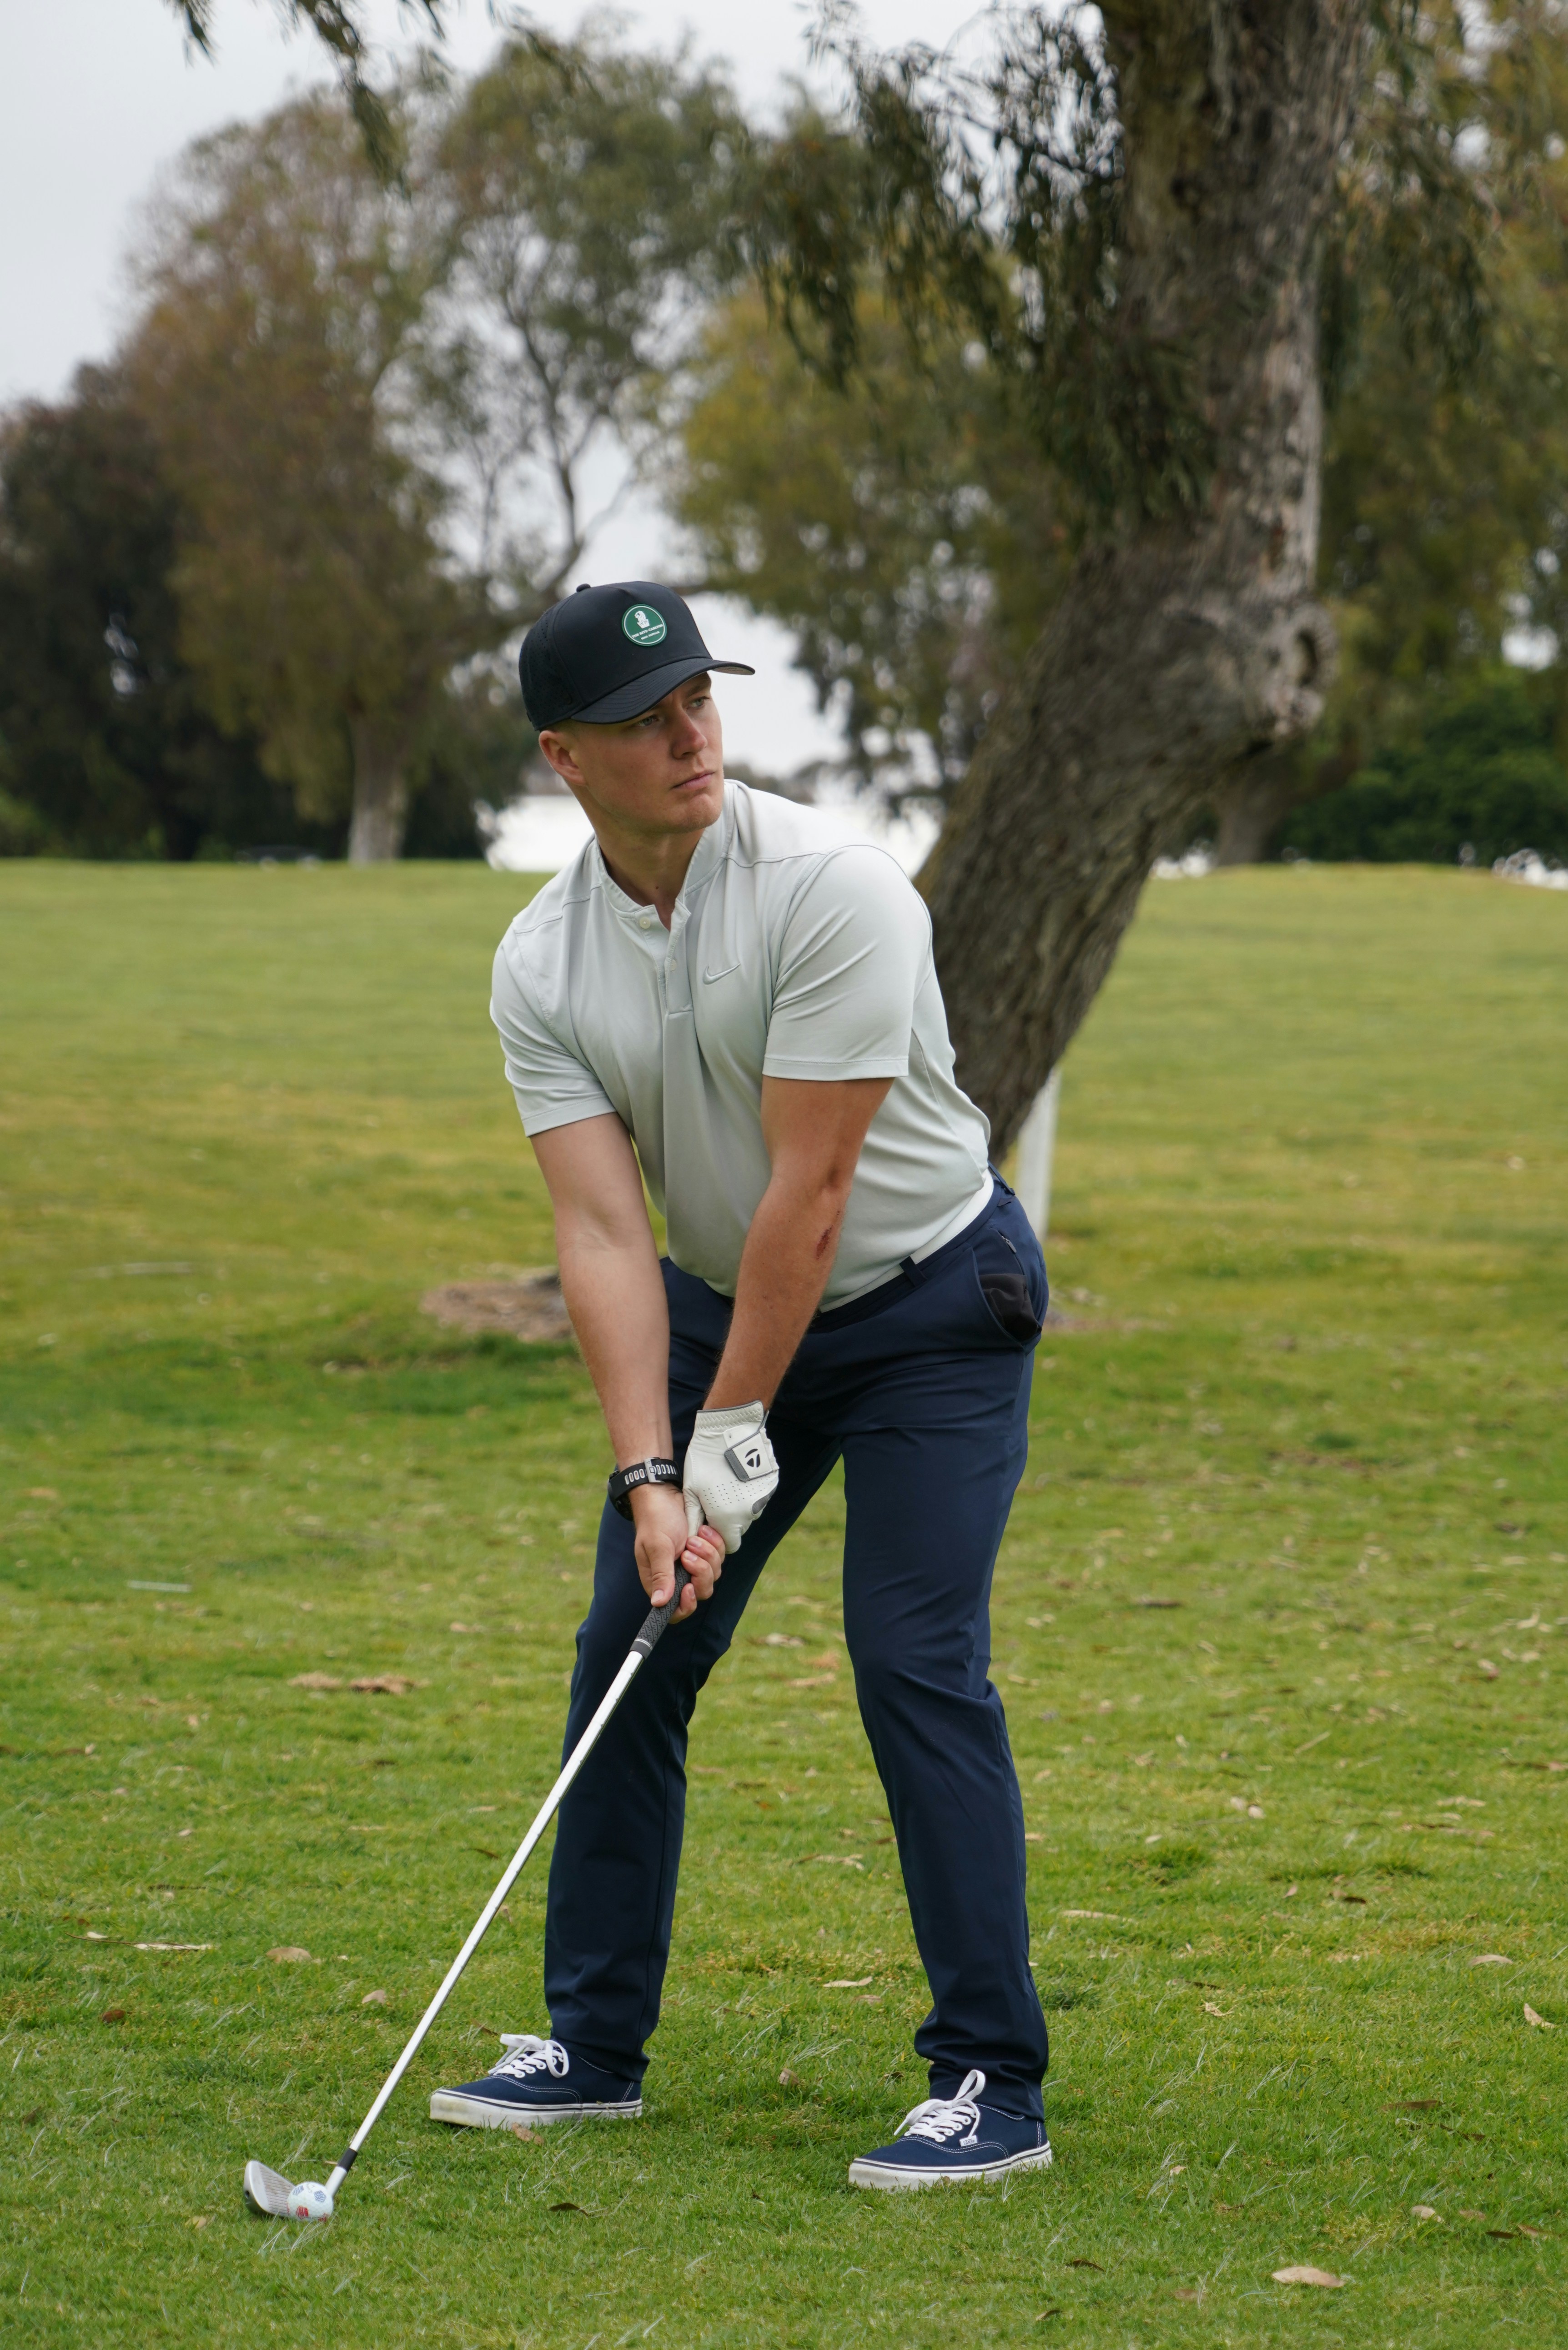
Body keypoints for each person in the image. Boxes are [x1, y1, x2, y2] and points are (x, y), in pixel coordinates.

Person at [431, 582, 1053, 2187]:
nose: (689, 734)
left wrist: (726, 1445)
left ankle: (990, 2078)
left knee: (911, 1656)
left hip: (931, 1302)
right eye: (646, 719)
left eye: (700, 698)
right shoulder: (540, 959)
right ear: (566, 756)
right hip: (722, 1314)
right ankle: (592, 2045)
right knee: (632, 1647)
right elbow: (600, 1229)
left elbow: (815, 1193)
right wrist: (654, 1478)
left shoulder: (839, 887)